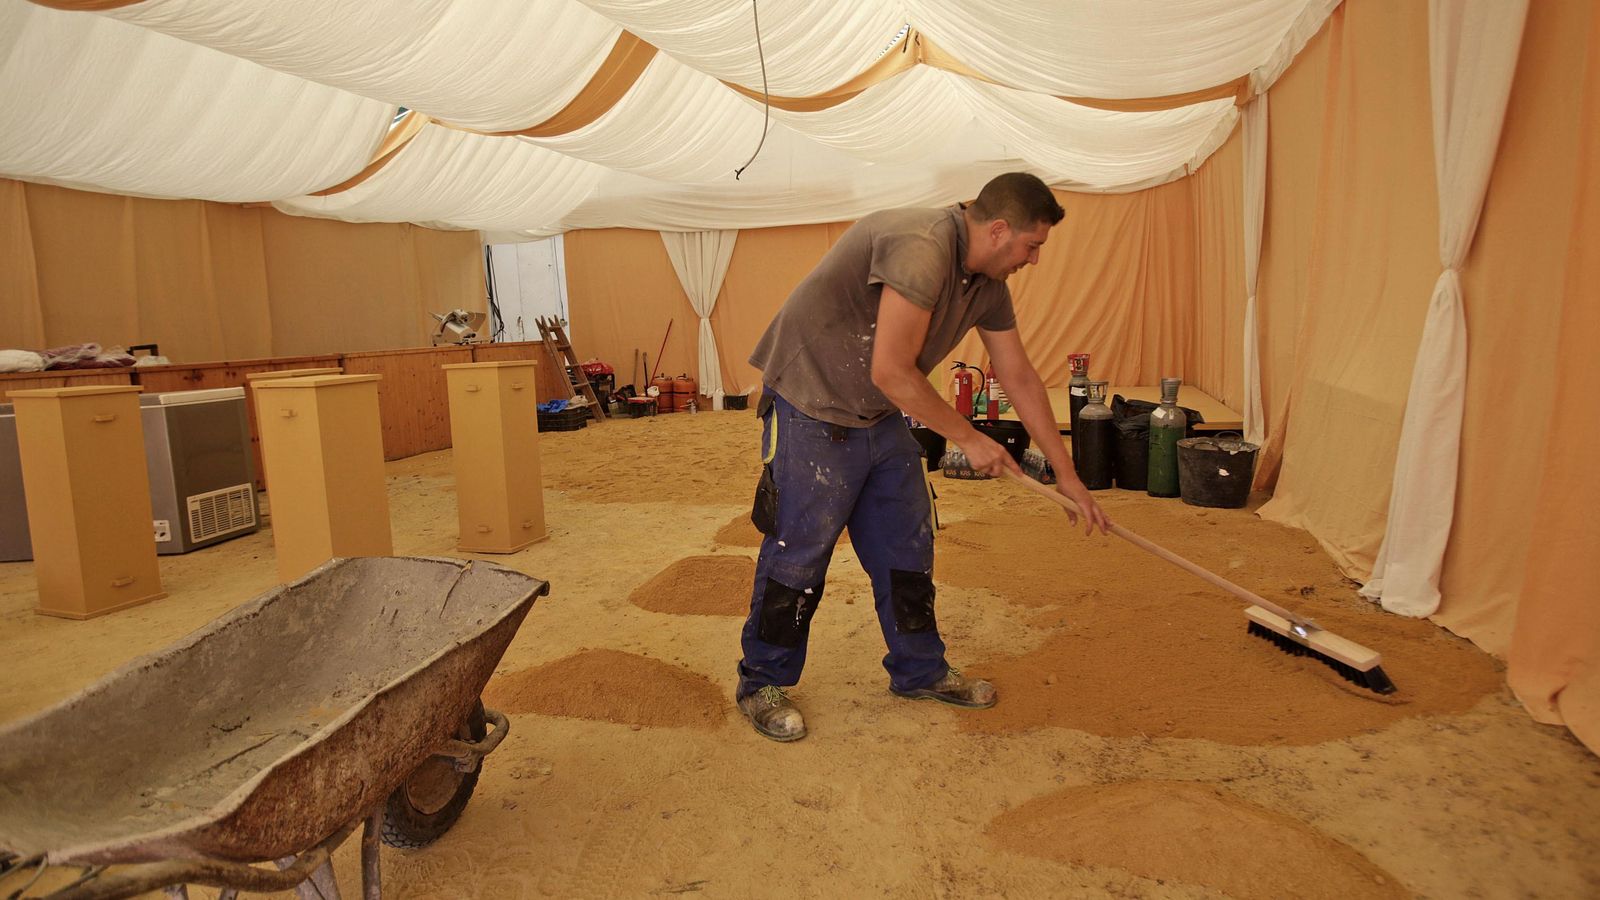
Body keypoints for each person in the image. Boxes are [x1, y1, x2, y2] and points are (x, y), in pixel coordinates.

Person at [735, 172, 1112, 742]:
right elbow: (890, 369)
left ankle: (920, 670)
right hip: (811, 403)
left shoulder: (987, 283)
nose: (1033, 260)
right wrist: (969, 437)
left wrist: (1068, 475)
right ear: (1000, 230)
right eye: (1032, 247)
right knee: (799, 554)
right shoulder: (923, 245)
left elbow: (1020, 376)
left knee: (906, 545)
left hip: (879, 414)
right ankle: (761, 681)